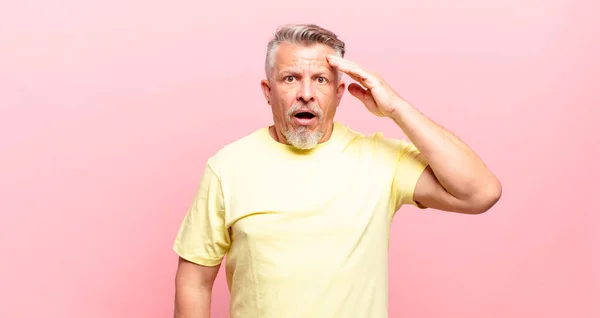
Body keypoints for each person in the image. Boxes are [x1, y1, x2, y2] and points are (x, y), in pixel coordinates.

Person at [172, 23, 502, 318]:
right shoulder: (227, 167)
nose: (306, 93)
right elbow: (195, 281)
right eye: (290, 78)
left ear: (339, 93)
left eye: (320, 80)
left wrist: (396, 108)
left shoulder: (380, 159)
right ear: (268, 91)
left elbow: (480, 193)